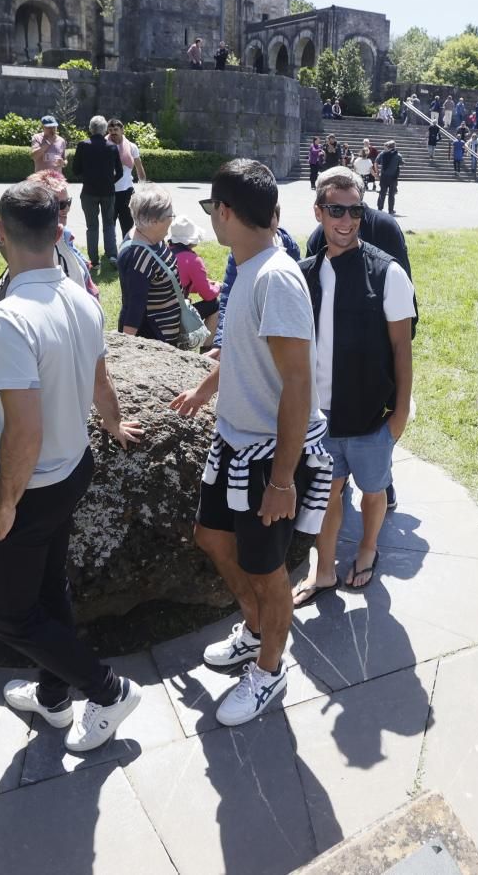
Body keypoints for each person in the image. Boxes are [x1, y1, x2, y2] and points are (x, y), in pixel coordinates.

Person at [0, 180, 145, 752]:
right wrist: (116, 425)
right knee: (47, 587)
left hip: (35, 485)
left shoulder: (7, 319)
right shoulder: (84, 299)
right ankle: (54, 696)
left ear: (0, 234)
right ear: (58, 233)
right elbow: (101, 384)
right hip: (73, 469)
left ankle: (108, 690)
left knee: (8, 615)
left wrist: (4, 502)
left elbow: (23, 430)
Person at [183, 160, 332, 726]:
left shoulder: (275, 277)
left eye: (210, 210)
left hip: (270, 457)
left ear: (224, 212)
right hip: (234, 443)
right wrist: (205, 388)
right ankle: (253, 630)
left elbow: (299, 384)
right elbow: (250, 354)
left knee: (270, 574)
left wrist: (281, 481)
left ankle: (269, 671)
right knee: (212, 538)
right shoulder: (249, 269)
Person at [292, 168, 415, 606]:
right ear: (319, 212)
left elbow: (402, 348)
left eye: (354, 211)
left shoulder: (387, 274)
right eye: (336, 210)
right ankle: (322, 571)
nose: (345, 220)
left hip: (369, 417)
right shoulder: (304, 273)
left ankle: (367, 549)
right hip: (321, 416)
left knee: (374, 491)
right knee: (328, 495)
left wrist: (398, 415)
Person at [116, 184, 189, 347]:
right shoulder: (138, 256)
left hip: (167, 333)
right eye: (170, 215)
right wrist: (126, 347)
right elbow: (134, 306)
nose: (172, 218)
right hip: (154, 339)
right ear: (154, 221)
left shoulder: (150, 235)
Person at [72, 115, 122, 266]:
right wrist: (110, 181)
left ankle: (94, 259)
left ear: (90, 128)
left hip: (88, 191)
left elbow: (75, 170)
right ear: (105, 129)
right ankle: (112, 255)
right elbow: (119, 172)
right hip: (108, 191)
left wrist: (87, 177)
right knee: (109, 224)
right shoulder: (112, 147)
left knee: (92, 226)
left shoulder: (83, 145)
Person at [168, 216, 221, 337]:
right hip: (176, 316)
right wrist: (218, 286)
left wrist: (204, 283)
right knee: (215, 304)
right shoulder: (193, 260)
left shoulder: (166, 252)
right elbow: (208, 295)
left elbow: (179, 283)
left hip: (162, 312)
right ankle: (207, 348)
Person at [109, 118, 147, 240]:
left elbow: (139, 166)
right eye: (110, 130)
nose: (113, 132)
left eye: (116, 129)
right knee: (110, 224)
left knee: (128, 224)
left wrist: (143, 185)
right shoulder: (105, 146)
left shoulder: (132, 147)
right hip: (109, 192)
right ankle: (111, 252)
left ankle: (127, 248)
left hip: (127, 191)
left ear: (122, 130)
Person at [376, 139, 403, 215]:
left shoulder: (382, 154)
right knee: (391, 194)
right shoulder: (398, 155)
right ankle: (390, 210)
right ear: (394, 146)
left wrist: (377, 173)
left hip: (384, 176)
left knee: (382, 192)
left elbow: (376, 162)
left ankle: (380, 208)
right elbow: (402, 162)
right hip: (393, 177)